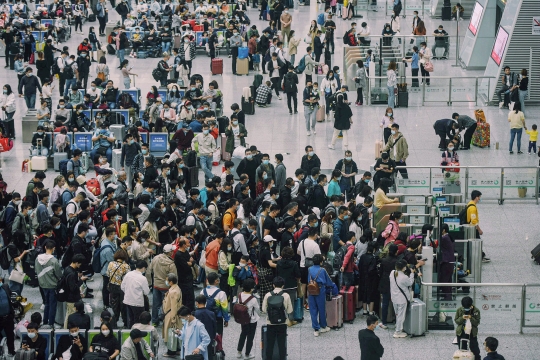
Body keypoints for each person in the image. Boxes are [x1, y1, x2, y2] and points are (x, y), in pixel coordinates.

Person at [262, 277, 293, 359]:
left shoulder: (268, 295)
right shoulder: (286, 295)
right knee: (282, 343)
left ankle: (268, 358)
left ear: (273, 285)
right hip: (282, 323)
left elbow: (264, 310)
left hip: (270, 323)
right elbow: (290, 311)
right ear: (283, 286)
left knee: (270, 343)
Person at [35, 240, 62, 326]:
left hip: (42, 284)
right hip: (52, 285)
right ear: (53, 249)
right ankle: (51, 323)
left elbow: (36, 270)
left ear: (45, 247)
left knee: (46, 302)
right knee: (52, 305)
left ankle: (45, 320)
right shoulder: (54, 260)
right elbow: (58, 274)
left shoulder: (37, 258)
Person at [307, 254, 333, 337]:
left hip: (311, 290)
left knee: (313, 310)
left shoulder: (309, 269)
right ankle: (323, 326)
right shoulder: (322, 270)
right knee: (321, 309)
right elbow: (329, 282)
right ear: (321, 262)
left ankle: (316, 329)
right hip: (320, 290)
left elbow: (308, 279)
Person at [389, 259, 415, 338]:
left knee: (397, 314)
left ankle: (397, 326)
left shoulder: (392, 273)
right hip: (402, 299)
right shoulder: (404, 277)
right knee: (400, 315)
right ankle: (398, 332)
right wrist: (412, 274)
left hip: (394, 297)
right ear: (404, 268)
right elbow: (410, 283)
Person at [235, 278, 260, 360]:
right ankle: (247, 354)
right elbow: (257, 309)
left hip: (243, 319)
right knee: (250, 337)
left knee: (243, 334)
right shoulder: (253, 299)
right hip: (252, 320)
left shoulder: (240, 295)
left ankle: (239, 352)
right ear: (252, 288)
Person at [122, 260, 150, 328]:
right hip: (137, 303)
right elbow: (146, 292)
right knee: (138, 321)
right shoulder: (142, 278)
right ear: (143, 268)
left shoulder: (128, 274)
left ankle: (130, 332)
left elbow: (122, 287)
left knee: (131, 320)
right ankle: (137, 335)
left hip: (127, 301)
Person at [466, 190, 490, 263]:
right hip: (472, 228)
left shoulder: (470, 203)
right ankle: (480, 257)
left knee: (476, 241)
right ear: (476, 197)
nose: (480, 198)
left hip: (470, 227)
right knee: (477, 242)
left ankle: (481, 255)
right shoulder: (473, 207)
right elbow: (474, 220)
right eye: (479, 197)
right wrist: (479, 229)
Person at [162, 273, 182, 356]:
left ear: (170, 282)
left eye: (167, 280)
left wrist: (173, 318)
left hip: (171, 314)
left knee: (171, 333)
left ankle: (171, 351)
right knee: (175, 332)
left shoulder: (173, 292)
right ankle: (177, 349)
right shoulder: (176, 288)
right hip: (173, 313)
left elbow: (173, 306)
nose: (166, 282)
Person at [328, 85, 353, 150]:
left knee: (336, 132)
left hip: (338, 119)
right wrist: (350, 120)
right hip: (344, 119)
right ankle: (345, 146)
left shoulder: (337, 95)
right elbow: (349, 114)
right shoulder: (346, 106)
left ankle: (332, 145)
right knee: (345, 132)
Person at [438, 223, 455, 300]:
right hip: (449, 261)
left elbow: (436, 244)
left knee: (444, 279)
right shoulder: (448, 237)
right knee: (448, 279)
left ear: (443, 230)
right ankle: (448, 295)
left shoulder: (444, 238)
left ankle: (447, 296)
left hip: (446, 261)